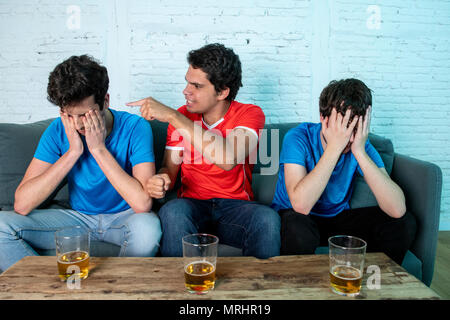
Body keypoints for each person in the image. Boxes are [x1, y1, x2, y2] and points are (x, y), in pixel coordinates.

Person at [0, 55, 161, 272]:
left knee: (148, 230)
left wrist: (98, 149)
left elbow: (142, 204)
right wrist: (73, 152)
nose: (77, 124)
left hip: (124, 218)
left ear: (105, 101)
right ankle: (48, 292)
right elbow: (22, 204)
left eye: (85, 115)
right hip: (78, 219)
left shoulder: (135, 127)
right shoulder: (57, 131)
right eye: (69, 115)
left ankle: (119, 292)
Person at [127, 43, 280, 259]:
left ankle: (259, 290)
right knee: (172, 211)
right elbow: (169, 169)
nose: (186, 91)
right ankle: (179, 288)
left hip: (235, 209)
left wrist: (172, 116)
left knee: (267, 218)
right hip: (192, 207)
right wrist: (161, 180)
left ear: (223, 91)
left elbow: (228, 158)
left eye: (197, 86)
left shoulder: (249, 114)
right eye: (187, 82)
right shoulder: (181, 116)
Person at [271, 78, 416, 265]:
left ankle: (374, 281)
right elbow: (301, 205)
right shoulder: (298, 137)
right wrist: (335, 147)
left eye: (355, 126)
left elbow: (397, 209)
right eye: (342, 124)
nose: (348, 135)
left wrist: (360, 151)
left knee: (404, 223)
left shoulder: (360, 144)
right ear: (323, 118)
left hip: (337, 218)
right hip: (297, 217)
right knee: (297, 228)